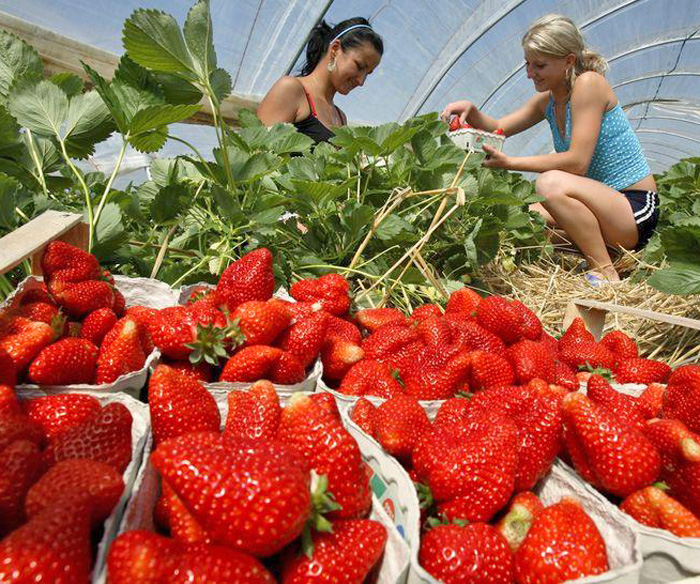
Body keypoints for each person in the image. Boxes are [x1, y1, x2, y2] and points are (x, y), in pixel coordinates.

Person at [441, 14, 659, 285]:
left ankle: (604, 272)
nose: (529, 73)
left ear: (568, 60)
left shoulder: (589, 84)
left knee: (550, 184)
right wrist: (471, 111)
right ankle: (611, 256)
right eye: (527, 64)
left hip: (633, 208)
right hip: (600, 210)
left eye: (539, 65)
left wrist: (510, 161)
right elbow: (498, 126)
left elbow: (578, 162)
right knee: (527, 219)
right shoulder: (547, 101)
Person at [257, 17, 383, 143]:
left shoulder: (341, 117)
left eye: (368, 73)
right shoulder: (290, 89)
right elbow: (258, 152)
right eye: (359, 66)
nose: (361, 81)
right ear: (335, 49)